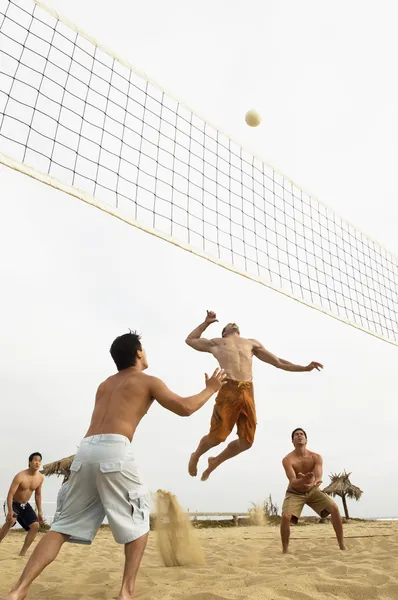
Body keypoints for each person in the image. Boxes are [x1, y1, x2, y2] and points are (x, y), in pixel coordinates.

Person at [1, 331, 226, 600]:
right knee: (139, 523)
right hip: (115, 448)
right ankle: (126, 592)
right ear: (139, 353)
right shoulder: (148, 381)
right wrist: (212, 388)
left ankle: (18, 590)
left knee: (61, 527)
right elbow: (186, 408)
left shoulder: (105, 385)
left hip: (85, 450)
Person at [186, 311, 323, 481]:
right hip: (229, 389)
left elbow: (278, 362)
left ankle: (215, 461)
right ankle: (196, 455)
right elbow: (190, 340)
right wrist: (206, 323)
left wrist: (303, 367)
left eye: (235, 324)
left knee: (246, 441)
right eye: (229, 324)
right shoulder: (217, 343)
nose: (233, 323)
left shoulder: (251, 343)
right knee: (217, 437)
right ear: (224, 332)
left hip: (247, 390)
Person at [280, 428, 345, 553]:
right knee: (286, 517)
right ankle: (285, 550)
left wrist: (314, 481)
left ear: (306, 439)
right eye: (296, 435)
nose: (299, 436)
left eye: (301, 434)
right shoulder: (287, 460)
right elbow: (293, 481)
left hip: (312, 490)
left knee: (335, 508)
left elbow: (318, 476)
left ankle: (342, 544)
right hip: (295, 492)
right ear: (293, 441)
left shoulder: (316, 457)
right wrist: (302, 481)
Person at [0, 453, 45, 556]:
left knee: (35, 526)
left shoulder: (40, 478)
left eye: (39, 460)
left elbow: (38, 495)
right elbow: (10, 494)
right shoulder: (20, 476)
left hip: (25, 505)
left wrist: (40, 512)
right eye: (35, 460)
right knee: (11, 521)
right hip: (13, 502)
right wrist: (10, 510)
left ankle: (22, 553)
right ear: (29, 462)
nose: (37, 462)